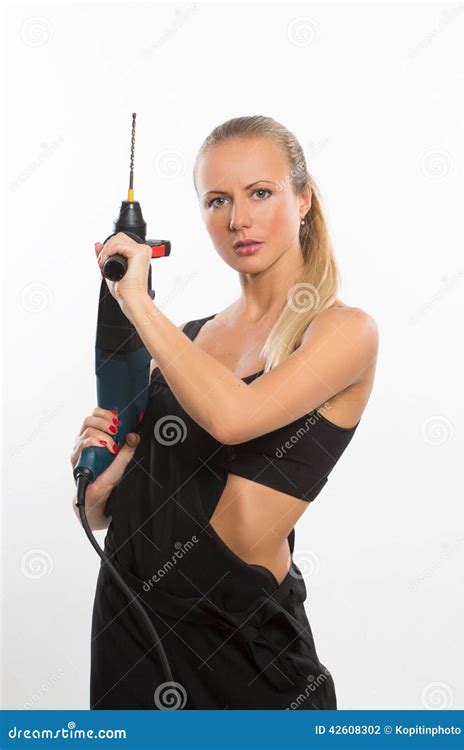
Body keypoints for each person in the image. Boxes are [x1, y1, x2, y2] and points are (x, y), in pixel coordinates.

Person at [71, 115, 378, 710]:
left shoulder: (342, 333)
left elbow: (234, 418)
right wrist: (103, 487)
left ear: (303, 199)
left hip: (243, 645)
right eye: (217, 201)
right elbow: (109, 513)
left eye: (260, 193)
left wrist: (134, 301)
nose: (238, 219)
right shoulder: (185, 341)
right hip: (131, 620)